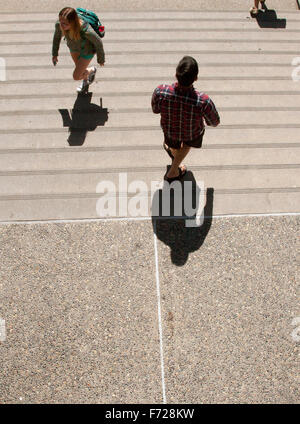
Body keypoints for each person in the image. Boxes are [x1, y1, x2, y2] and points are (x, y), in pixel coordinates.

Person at [151, 56, 220, 182]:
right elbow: (214, 122)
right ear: (196, 78)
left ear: (176, 75)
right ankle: (173, 171)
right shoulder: (203, 101)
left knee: (173, 144)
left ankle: (173, 151)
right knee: (187, 145)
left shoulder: (161, 92)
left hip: (170, 130)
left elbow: (155, 110)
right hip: (192, 134)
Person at [52, 7, 105, 92]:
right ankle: (85, 82)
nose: (61, 25)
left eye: (65, 23)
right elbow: (56, 38)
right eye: (60, 21)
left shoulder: (85, 30)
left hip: (87, 51)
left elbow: (98, 42)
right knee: (80, 70)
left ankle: (92, 70)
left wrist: (101, 59)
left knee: (76, 76)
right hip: (73, 48)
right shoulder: (59, 25)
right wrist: (55, 54)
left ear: (73, 23)